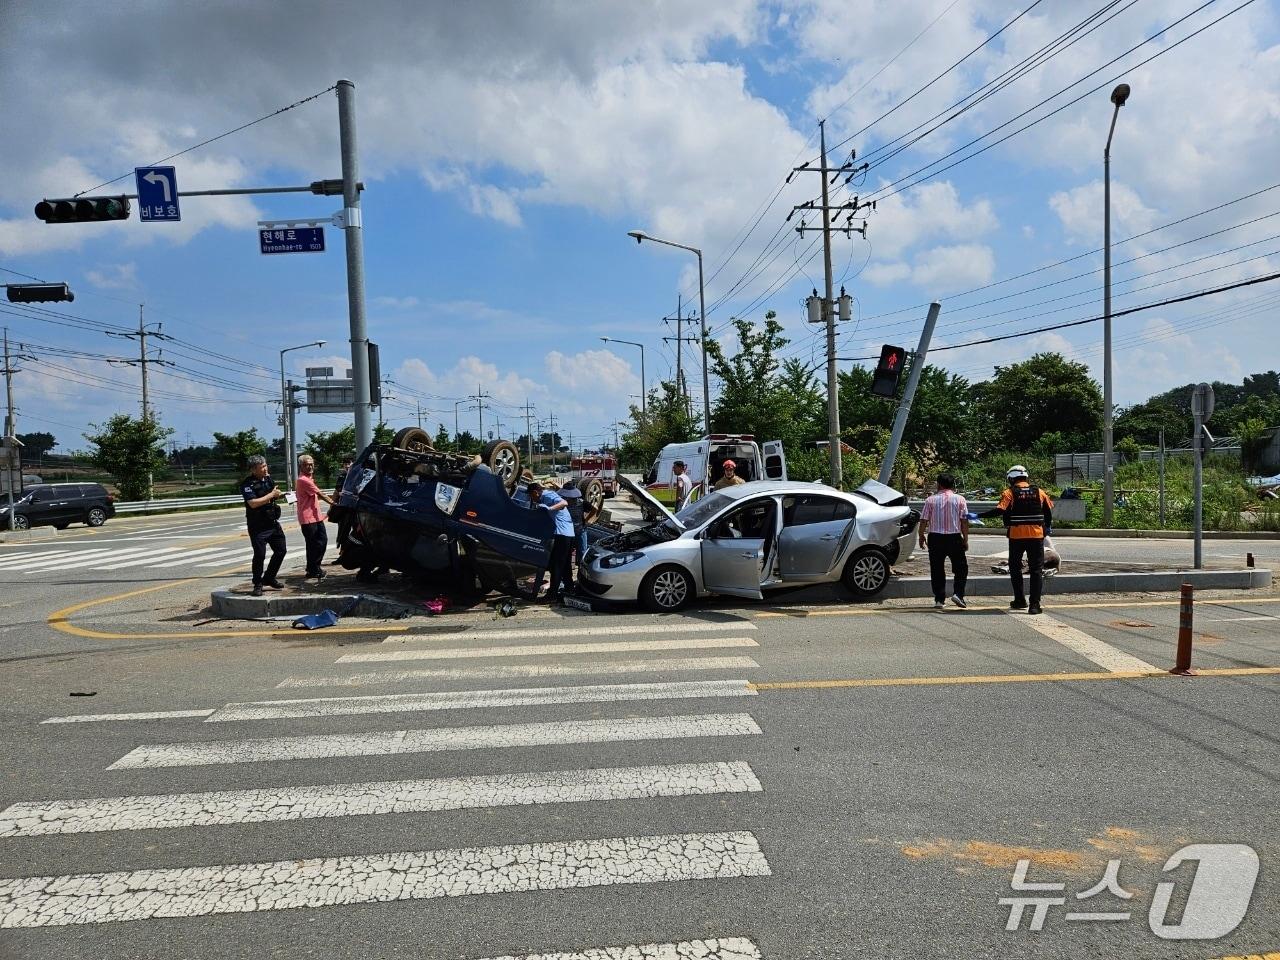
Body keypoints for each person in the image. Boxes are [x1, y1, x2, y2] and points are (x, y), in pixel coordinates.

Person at [986, 464, 1054, 615]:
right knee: (1036, 570)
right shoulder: (1039, 492)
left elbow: (1000, 510)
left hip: (1016, 536)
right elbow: (1048, 513)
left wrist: (978, 515)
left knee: (1015, 567)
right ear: (1026, 477)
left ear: (1011, 479)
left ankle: (1019, 600)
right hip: (1036, 536)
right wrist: (1047, 528)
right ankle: (1034, 605)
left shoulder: (1009, 492)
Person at [917, 473, 969, 610]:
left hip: (935, 538)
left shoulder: (930, 500)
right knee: (961, 568)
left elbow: (923, 520)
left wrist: (921, 536)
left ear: (939, 484)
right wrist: (965, 539)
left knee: (937, 569)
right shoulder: (960, 499)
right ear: (952, 485)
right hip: (954, 537)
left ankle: (939, 599)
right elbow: (964, 521)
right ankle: (958, 594)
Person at [241, 454, 287, 597]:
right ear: (253, 469)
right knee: (260, 555)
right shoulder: (247, 484)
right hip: (257, 526)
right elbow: (253, 503)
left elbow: (273, 495)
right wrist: (272, 495)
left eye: (265, 465)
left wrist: (281, 495)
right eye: (262, 467)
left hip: (272, 522)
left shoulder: (268, 480)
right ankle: (257, 584)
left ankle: (269, 577)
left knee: (281, 550)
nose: (265, 469)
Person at [527, 480, 576, 602]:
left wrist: (549, 508)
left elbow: (564, 503)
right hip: (568, 533)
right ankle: (570, 589)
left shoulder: (547, 495)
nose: (531, 499)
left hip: (561, 533)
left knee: (556, 566)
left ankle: (552, 595)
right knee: (565, 565)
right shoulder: (545, 497)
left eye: (531, 496)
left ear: (535, 492)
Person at [295, 454, 335, 580]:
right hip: (308, 518)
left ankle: (313, 568)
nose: (310, 466)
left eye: (311, 464)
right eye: (307, 464)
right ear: (301, 466)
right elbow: (320, 494)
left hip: (316, 517)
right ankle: (313, 569)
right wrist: (335, 504)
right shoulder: (303, 480)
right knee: (314, 544)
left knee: (321, 542)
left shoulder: (309, 478)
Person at [559, 478, 588, 573]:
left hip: (580, 531)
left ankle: (581, 573)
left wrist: (588, 520)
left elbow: (594, 509)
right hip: (567, 532)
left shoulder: (581, 502)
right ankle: (567, 574)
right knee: (566, 554)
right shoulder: (561, 502)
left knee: (582, 553)